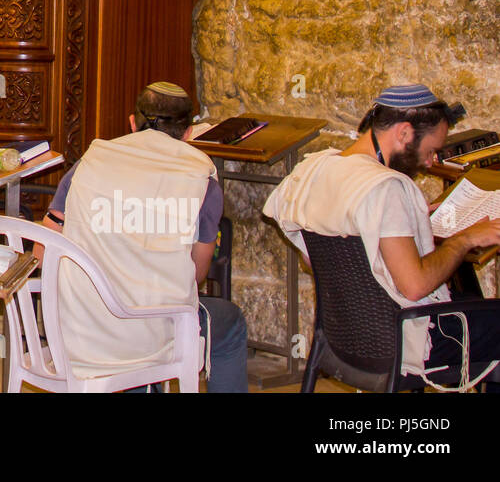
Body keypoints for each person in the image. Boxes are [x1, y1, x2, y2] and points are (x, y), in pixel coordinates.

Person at [263, 85, 500, 388]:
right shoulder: (386, 187)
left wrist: (403, 223)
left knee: (476, 306)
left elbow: (321, 260)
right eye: (430, 151)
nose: (429, 163)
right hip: (406, 340)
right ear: (403, 133)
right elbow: (414, 287)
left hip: (347, 337)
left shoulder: (313, 170)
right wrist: (464, 239)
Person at [42, 82, 248, 392]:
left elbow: (42, 251)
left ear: (131, 122)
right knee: (229, 322)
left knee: (122, 321)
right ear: (189, 133)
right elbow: (198, 274)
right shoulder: (201, 179)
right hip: (150, 337)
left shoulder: (91, 161)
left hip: (74, 331)